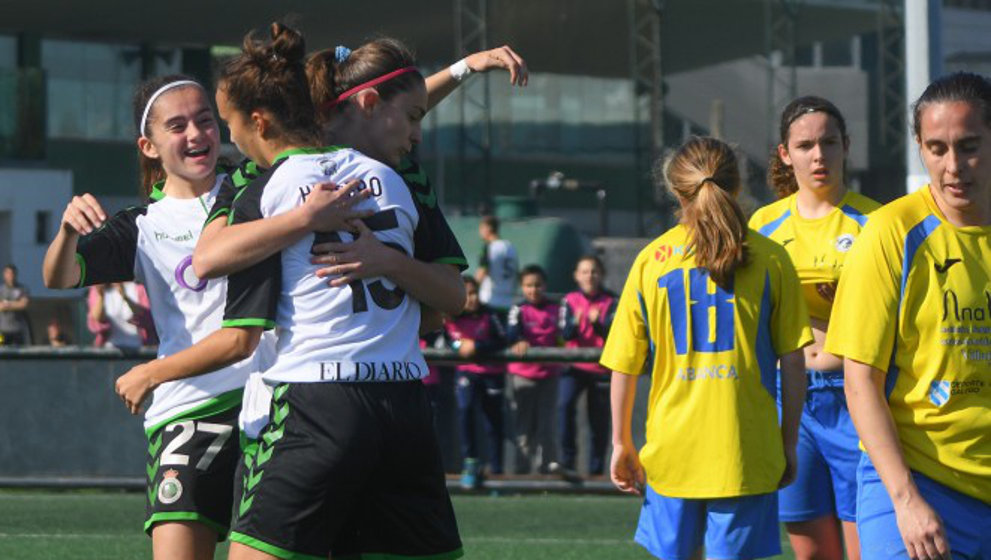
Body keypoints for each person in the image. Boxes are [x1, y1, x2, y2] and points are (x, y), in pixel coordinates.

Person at [191, 24, 464, 560]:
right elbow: (448, 303)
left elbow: (206, 259)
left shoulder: (268, 183)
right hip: (403, 399)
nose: (230, 139)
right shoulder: (394, 177)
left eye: (229, 125)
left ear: (259, 121)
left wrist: (307, 220)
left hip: (317, 398)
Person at [41, 74, 303, 560]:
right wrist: (66, 231)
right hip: (187, 411)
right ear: (149, 145)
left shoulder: (259, 190)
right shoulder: (143, 226)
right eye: (177, 126)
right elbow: (57, 277)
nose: (196, 134)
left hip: (268, 404)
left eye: (205, 120)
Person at [604, 136, 813, 560]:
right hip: (746, 450)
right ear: (736, 186)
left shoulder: (651, 260)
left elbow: (625, 364)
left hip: (671, 450)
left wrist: (621, 441)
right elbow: (794, 362)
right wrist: (787, 442)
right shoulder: (772, 259)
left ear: (674, 189)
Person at [825, 71, 991, 560]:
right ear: (919, 147)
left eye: (969, 146)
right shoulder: (890, 232)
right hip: (917, 484)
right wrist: (906, 500)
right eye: (936, 148)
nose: (953, 166)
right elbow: (859, 382)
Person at [748, 95, 880, 560]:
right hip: (791, 403)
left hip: (857, 399)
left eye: (829, 142)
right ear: (785, 153)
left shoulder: (877, 223)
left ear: (847, 146)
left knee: (868, 547)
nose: (819, 155)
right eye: (805, 145)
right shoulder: (762, 225)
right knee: (812, 555)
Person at [554, 254, 616, 478]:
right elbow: (564, 334)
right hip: (574, 367)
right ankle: (568, 462)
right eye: (584, 271)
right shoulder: (569, 300)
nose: (589, 276)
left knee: (598, 421)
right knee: (564, 406)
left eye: (594, 271)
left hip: (601, 368)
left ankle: (596, 470)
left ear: (601, 275)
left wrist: (597, 324)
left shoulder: (612, 301)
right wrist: (576, 321)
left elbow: (614, 336)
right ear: (576, 276)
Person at [445, 275, 508, 489]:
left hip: (491, 373)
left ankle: (497, 471)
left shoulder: (490, 315)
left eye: (473, 293)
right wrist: (457, 347)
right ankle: (470, 463)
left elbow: (503, 339)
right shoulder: (450, 317)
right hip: (467, 373)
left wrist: (478, 347)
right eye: (465, 294)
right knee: (465, 410)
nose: (471, 299)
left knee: (493, 421)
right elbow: (444, 339)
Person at [506, 264, 561, 474]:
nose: (533, 290)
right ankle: (521, 472)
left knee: (547, 425)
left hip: (549, 375)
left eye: (537, 285)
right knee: (523, 426)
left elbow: (565, 334)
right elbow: (511, 333)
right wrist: (519, 340)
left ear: (545, 285)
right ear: (522, 287)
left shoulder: (557, 308)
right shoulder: (518, 309)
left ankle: (547, 470)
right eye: (528, 285)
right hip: (523, 375)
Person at [87, 281, 157, 350]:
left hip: (140, 350)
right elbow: (96, 320)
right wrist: (101, 296)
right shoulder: (97, 288)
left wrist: (126, 297)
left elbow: (148, 319)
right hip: (109, 351)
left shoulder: (140, 287)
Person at [476, 215, 519, 320]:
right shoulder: (510, 247)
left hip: (490, 301)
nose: (479, 232)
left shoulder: (489, 247)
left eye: (481, 228)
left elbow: (482, 271)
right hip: (508, 302)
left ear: (488, 228)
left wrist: (471, 290)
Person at [0, 264, 31, 345]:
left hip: (17, 330)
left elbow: (23, 304)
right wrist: (16, 304)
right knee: (1, 351)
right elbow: (0, 307)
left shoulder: (22, 289)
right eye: (8, 273)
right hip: (2, 330)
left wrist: (7, 304)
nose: (10, 276)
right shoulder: (1, 290)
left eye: (12, 273)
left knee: (19, 354)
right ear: (4, 275)